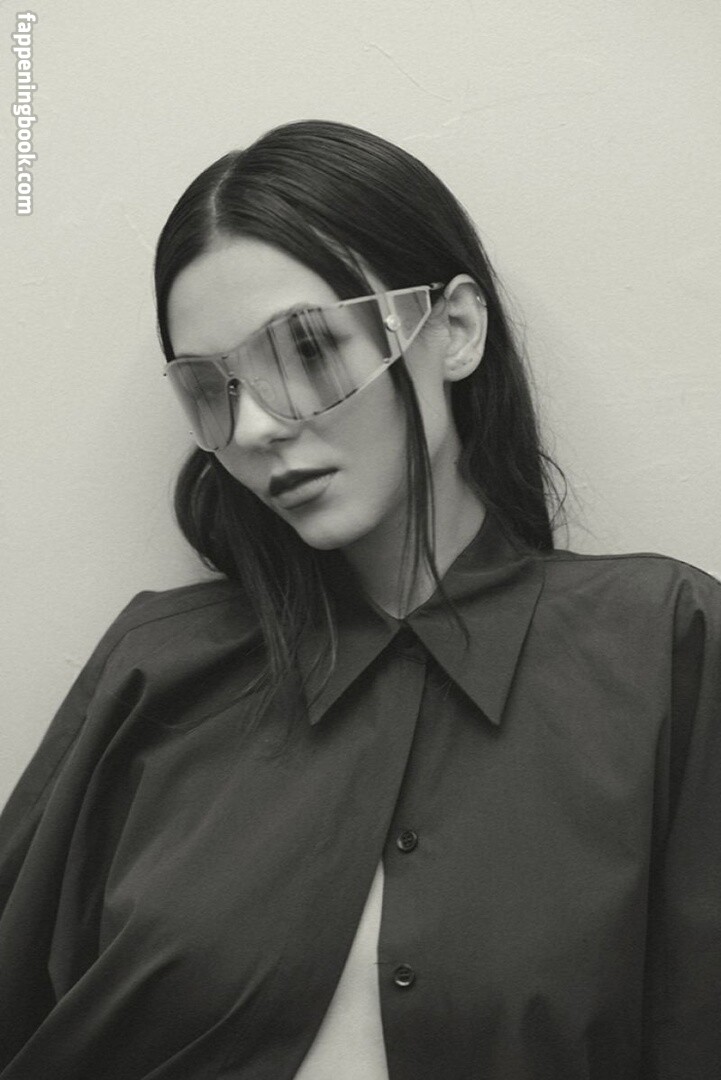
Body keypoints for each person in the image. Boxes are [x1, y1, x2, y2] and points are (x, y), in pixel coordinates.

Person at [0, 119, 719, 1080]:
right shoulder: (154, 664)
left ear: (453, 329)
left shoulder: (663, 644)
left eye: (306, 348)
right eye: (211, 388)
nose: (254, 427)